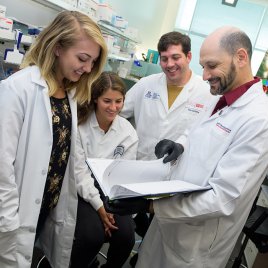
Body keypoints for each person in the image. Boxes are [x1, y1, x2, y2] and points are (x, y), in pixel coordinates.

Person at [105, 26, 268, 268]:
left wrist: (151, 205)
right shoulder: (221, 97)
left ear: (241, 57)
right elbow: (195, 130)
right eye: (203, 67)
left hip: (196, 244)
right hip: (169, 225)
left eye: (211, 66)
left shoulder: (258, 119)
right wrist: (179, 144)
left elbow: (223, 198)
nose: (204, 76)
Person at [0, 10, 107, 268]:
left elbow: (73, 158)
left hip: (42, 210)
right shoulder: (18, 89)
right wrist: (7, 223)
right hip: (14, 214)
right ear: (58, 47)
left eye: (93, 62)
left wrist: (97, 202)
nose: (88, 68)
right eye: (83, 58)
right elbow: (2, 165)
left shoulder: (67, 93)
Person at [120, 31, 215, 266]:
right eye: (164, 58)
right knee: (129, 226)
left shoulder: (207, 93)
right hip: (138, 169)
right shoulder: (146, 84)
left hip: (174, 178)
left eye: (175, 57)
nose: (169, 64)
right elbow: (118, 114)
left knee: (161, 233)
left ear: (189, 56)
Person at [70, 71, 138, 268]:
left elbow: (124, 173)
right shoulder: (80, 125)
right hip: (81, 191)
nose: (114, 107)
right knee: (92, 236)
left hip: (111, 192)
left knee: (126, 237)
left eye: (119, 101)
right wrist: (100, 209)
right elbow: (80, 173)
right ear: (95, 99)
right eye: (107, 101)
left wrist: (111, 208)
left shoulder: (127, 131)